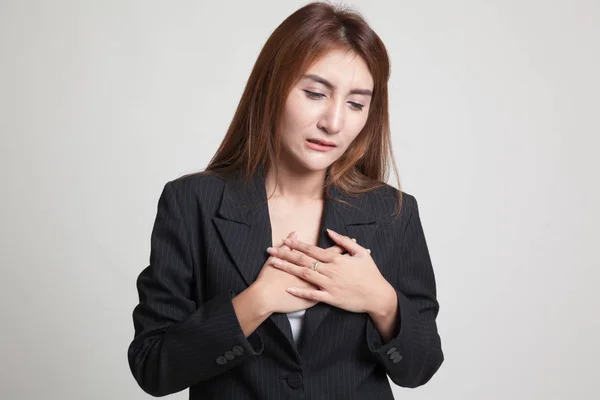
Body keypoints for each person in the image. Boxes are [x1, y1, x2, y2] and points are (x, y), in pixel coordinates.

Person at [127, 2, 443, 399]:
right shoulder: (193, 202)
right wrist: (255, 302)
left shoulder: (392, 211)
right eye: (314, 93)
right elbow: (153, 367)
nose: (333, 122)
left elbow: (421, 366)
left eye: (356, 103)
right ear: (272, 86)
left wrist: (380, 300)